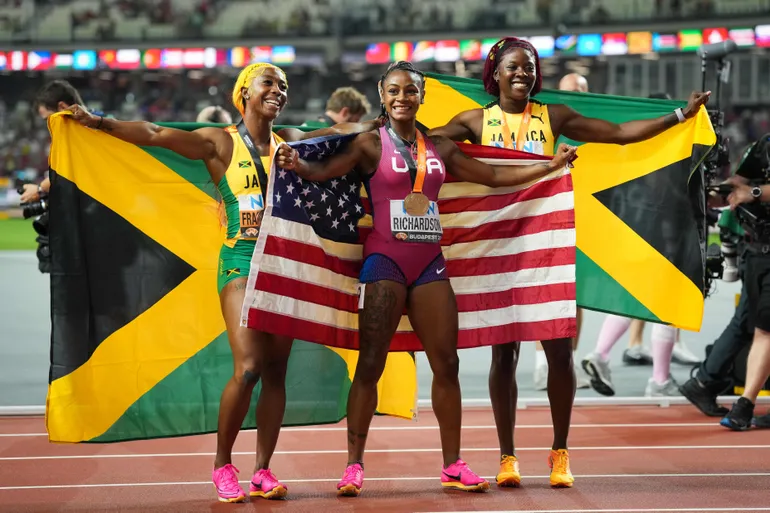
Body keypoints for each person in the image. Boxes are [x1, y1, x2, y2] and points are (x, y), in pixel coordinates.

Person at [68, 62, 382, 503]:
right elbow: (156, 134)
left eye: (284, 86)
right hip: (239, 262)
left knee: (276, 372)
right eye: (269, 83)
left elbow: (346, 136)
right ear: (244, 92)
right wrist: (98, 121)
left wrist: (386, 116)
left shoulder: (288, 142)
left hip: (284, 265)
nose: (279, 91)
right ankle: (221, 465)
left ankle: (262, 471)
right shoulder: (220, 142)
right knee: (250, 366)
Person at [275, 60, 577, 497]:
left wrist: (549, 167)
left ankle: (453, 465)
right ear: (382, 95)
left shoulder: (439, 146)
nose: (403, 97)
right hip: (384, 263)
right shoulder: (368, 144)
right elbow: (324, 168)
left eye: (411, 91)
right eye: (394, 90)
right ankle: (353, 466)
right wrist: (295, 160)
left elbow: (492, 177)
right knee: (371, 366)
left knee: (447, 364)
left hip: (429, 265)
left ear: (421, 96)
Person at [428, 36, 710, 488]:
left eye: (530, 67)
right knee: (505, 353)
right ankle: (507, 456)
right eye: (514, 67)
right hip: (499, 247)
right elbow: (422, 142)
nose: (523, 74)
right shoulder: (472, 120)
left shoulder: (553, 116)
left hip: (547, 244)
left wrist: (679, 116)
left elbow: (618, 134)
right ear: (495, 73)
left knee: (560, 351)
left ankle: (560, 452)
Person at [301, 86, 372, 128]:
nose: (357, 123)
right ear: (345, 112)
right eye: (356, 119)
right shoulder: (339, 137)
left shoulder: (306, 127)